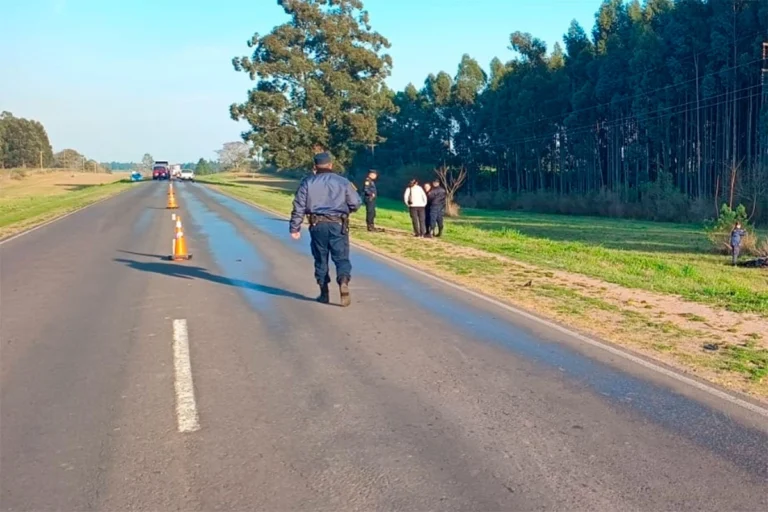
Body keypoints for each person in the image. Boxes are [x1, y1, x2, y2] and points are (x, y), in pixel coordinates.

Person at [290, 152, 361, 306]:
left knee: (320, 259)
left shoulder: (307, 182)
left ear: (315, 166)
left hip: (317, 225)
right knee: (341, 257)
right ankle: (343, 280)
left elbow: (299, 206)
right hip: (338, 224)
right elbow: (355, 203)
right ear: (330, 165)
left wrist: (294, 227)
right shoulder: (343, 182)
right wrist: (346, 210)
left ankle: (324, 293)